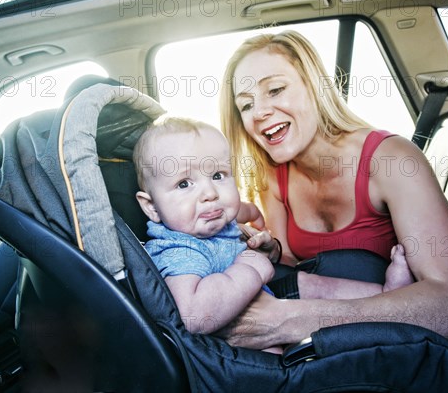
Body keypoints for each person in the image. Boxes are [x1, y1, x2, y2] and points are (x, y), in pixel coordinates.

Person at [218, 30, 448, 349]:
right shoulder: (274, 176)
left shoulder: (391, 160)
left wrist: (296, 318)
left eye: (275, 89)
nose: (259, 113)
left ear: (315, 87)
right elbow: (287, 268)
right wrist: (269, 251)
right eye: (246, 106)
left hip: (401, 352)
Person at [133, 116, 414, 347]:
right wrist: (251, 268)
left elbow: (241, 210)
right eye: (184, 184)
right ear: (152, 208)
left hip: (261, 297)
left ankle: (385, 296)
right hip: (235, 338)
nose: (209, 193)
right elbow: (195, 315)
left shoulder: (205, 217)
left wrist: (251, 216)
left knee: (311, 284)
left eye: (218, 176)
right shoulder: (180, 251)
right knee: (273, 351)